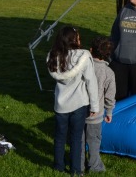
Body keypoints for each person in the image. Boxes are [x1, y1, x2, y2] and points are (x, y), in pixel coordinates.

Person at [47, 26, 99, 175]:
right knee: (76, 139)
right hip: (79, 104)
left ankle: (58, 166)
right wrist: (95, 105)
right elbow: (91, 82)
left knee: (60, 137)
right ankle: (76, 170)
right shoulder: (83, 56)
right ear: (74, 39)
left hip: (60, 104)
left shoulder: (53, 56)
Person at [81, 36, 116, 173]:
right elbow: (109, 96)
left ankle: (79, 165)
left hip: (79, 111)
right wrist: (109, 112)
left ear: (90, 50)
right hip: (95, 115)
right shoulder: (108, 73)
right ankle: (95, 166)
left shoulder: (82, 67)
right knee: (94, 141)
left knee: (79, 140)